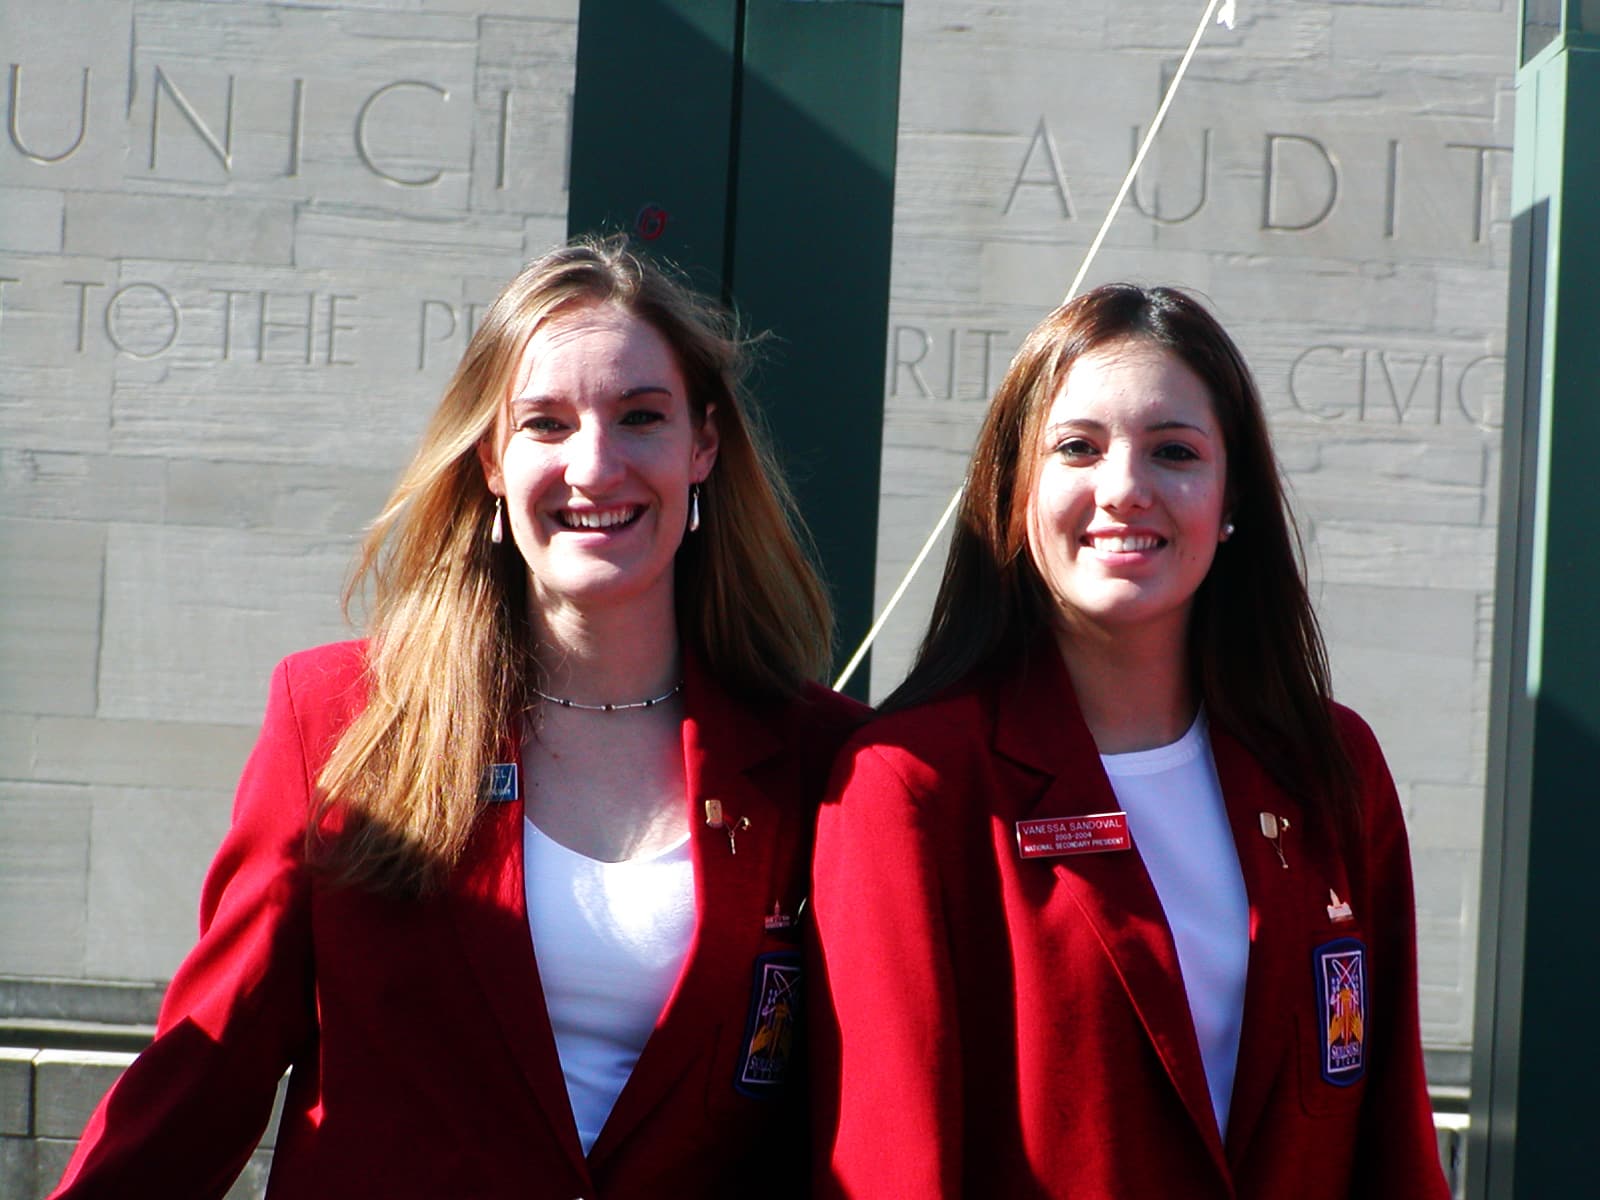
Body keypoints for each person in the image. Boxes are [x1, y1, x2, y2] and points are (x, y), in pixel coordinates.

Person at [54, 236, 866, 1199]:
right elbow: (207, 1071)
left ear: (703, 446)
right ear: (490, 459)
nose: (594, 466)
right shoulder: (340, 720)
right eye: (546, 424)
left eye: (641, 417)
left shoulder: (824, 761)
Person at [810, 284, 1449, 1199]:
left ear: (1231, 499)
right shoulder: (912, 785)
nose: (1124, 489)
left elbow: (1391, 1133)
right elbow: (892, 1164)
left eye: (1174, 452)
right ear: (1015, 490)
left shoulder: (1330, 766)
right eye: (1077, 448)